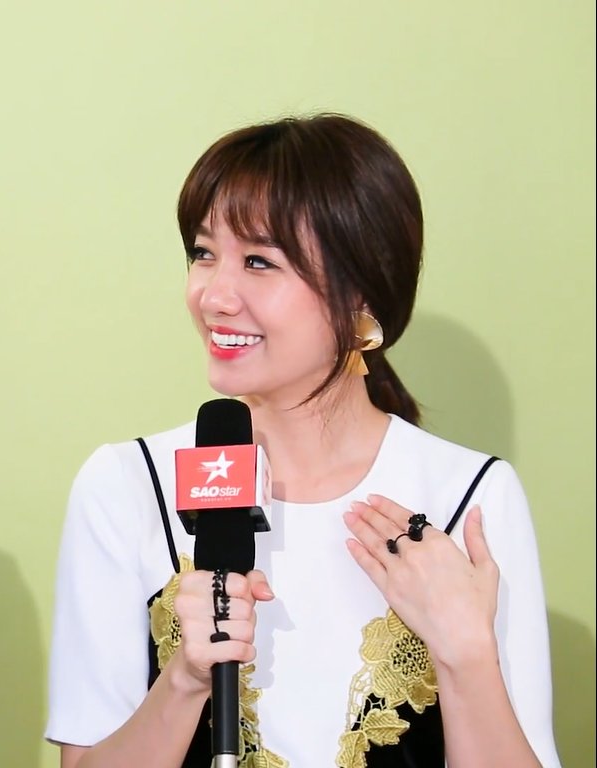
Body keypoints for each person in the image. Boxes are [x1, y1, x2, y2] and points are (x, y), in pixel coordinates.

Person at [45, 114, 560, 767]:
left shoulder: (470, 498)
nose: (214, 296)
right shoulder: (127, 484)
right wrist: (185, 679)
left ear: (361, 294)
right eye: (203, 253)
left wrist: (466, 655)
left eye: (259, 261)